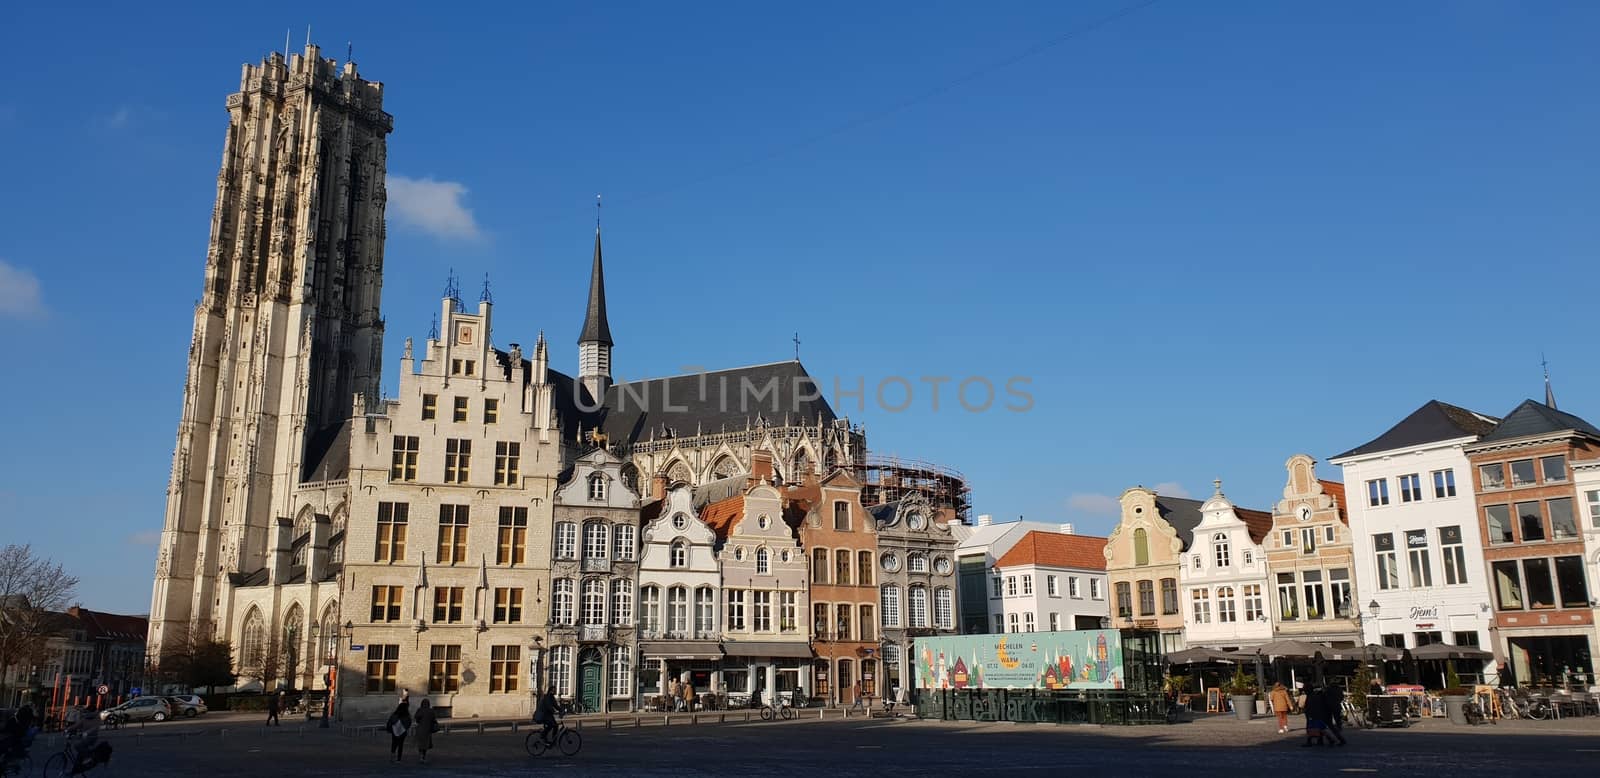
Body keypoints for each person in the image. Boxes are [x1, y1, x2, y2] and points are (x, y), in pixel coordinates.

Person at [413, 699, 436, 764]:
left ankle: (420, 756)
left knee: (421, 743)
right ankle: (423, 757)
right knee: (425, 744)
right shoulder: (431, 711)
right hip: (427, 729)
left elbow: (416, 718)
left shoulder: (420, 710)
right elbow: (433, 719)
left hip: (420, 729)